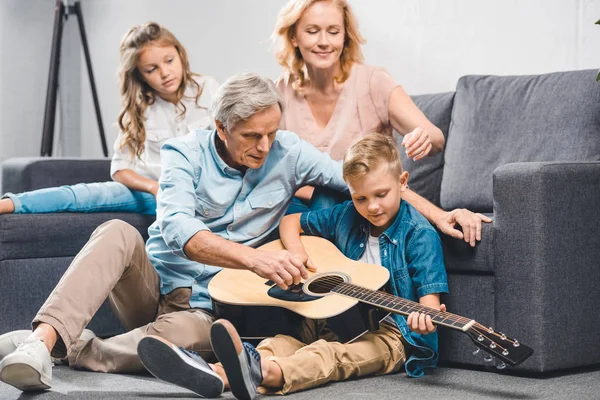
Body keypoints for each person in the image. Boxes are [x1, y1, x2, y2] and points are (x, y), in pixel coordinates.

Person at [0, 72, 347, 393]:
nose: (265, 145)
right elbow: (179, 228)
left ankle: (66, 346)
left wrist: (400, 190)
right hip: (154, 289)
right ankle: (41, 343)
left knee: (186, 337)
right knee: (116, 231)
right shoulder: (184, 153)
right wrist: (254, 258)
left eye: (271, 132)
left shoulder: (290, 152)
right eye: (252, 136)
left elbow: (354, 177)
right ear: (221, 128)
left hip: (209, 309)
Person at [135, 134, 449, 399]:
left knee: (332, 356)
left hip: (393, 334)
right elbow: (291, 221)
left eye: (381, 194)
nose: (372, 207)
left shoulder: (419, 234)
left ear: (402, 181)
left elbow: (429, 305)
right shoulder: (347, 216)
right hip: (335, 316)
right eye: (361, 198)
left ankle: (264, 374)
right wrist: (298, 254)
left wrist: (425, 319)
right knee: (279, 341)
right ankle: (220, 373)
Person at [274, 0, 491, 247]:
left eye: (333, 31)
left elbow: (435, 137)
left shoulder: (373, 82)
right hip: (298, 210)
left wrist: (423, 137)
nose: (324, 41)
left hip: (356, 210)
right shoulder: (279, 93)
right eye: (312, 31)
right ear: (294, 36)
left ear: (345, 36)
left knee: (331, 197)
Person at [0, 22, 219, 216]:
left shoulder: (209, 89)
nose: (165, 73)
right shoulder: (139, 109)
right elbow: (120, 170)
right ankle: (11, 203)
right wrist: (153, 187)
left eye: (169, 61)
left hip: (201, 193)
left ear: (181, 55)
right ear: (139, 75)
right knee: (89, 194)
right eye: (151, 69)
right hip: (154, 193)